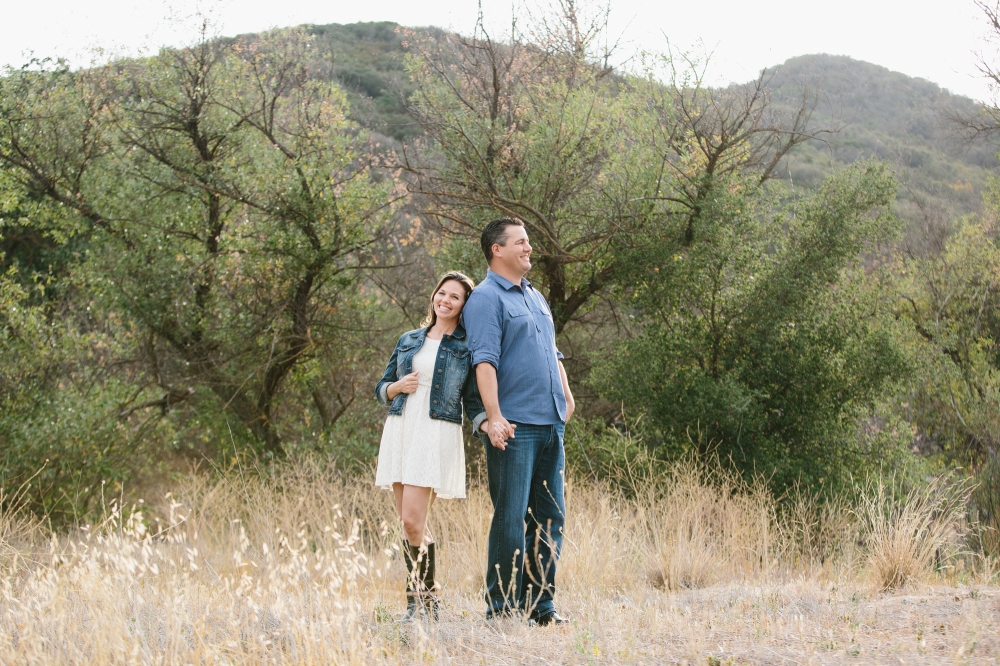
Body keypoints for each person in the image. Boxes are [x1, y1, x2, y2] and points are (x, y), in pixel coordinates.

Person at [462, 217, 576, 626]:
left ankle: (542, 606)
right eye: (521, 242)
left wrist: (566, 395)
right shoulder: (485, 298)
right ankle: (501, 607)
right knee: (511, 518)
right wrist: (493, 417)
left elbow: (552, 349)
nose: (530, 248)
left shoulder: (535, 295)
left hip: (550, 424)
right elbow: (484, 361)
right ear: (497, 249)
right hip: (514, 427)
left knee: (550, 517)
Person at [374, 271, 486, 621]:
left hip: (435, 432)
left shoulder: (467, 347)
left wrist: (488, 422)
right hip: (401, 427)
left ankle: (422, 601)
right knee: (412, 524)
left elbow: (473, 398)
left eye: (455, 296)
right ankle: (423, 603)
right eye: (442, 293)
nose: (446, 300)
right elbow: (382, 386)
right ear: (434, 296)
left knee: (411, 520)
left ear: (464, 305)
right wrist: (396, 388)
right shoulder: (408, 339)